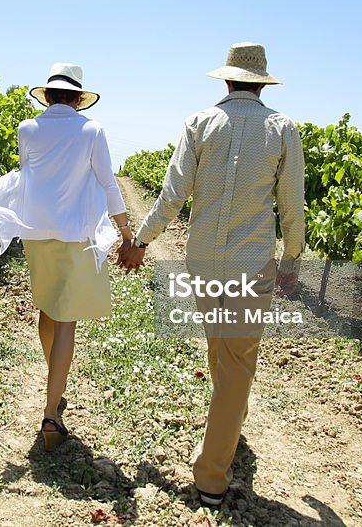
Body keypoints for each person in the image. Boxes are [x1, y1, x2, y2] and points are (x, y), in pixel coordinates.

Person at [118, 42, 305, 508]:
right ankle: (212, 477)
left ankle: (226, 432)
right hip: (252, 262)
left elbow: (172, 194)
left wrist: (141, 241)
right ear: (261, 83)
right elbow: (292, 207)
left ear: (226, 79)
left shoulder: (199, 123)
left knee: (220, 348)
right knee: (237, 360)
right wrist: (292, 260)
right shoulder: (282, 129)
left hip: (203, 260)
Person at [0, 63, 132, 450]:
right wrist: (127, 232)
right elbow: (107, 183)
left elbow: (28, 176)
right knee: (67, 319)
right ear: (79, 99)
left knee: (48, 309)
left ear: (47, 95)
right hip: (75, 235)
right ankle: (51, 415)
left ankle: (55, 386)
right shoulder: (92, 130)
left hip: (36, 233)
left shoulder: (27, 128)